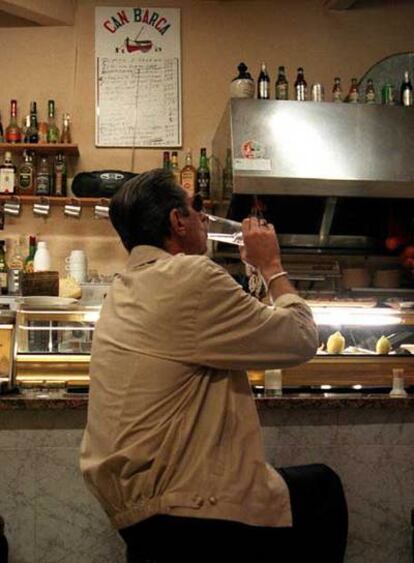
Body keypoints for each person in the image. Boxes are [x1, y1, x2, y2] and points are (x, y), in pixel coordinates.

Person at [80, 168, 348, 563]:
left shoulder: (122, 289)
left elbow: (230, 334)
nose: (205, 219)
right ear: (177, 221)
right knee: (323, 489)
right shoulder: (190, 275)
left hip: (133, 510)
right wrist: (271, 265)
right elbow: (300, 337)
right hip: (188, 507)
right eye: (197, 210)